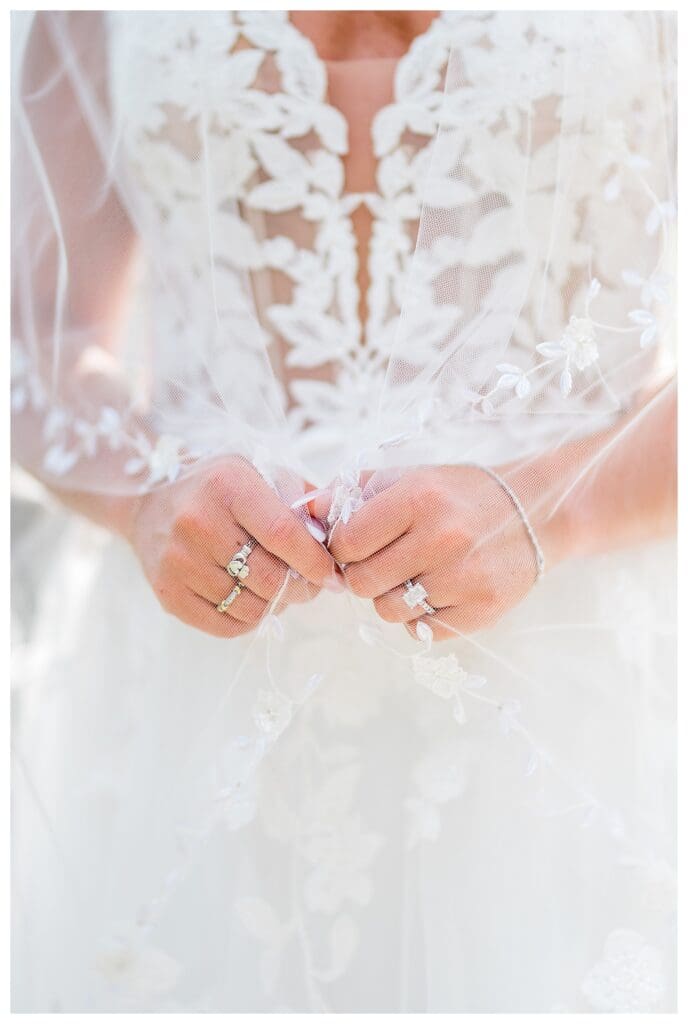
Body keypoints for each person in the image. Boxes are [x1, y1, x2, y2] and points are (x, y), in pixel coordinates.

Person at [11, 10, 676, 1011]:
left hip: (575, 689)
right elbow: (37, 329)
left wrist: (550, 506)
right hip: (196, 692)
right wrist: (145, 491)